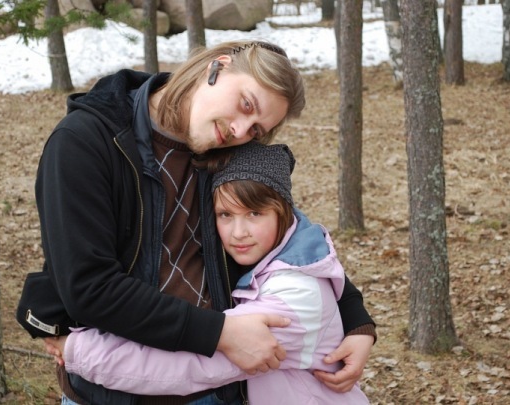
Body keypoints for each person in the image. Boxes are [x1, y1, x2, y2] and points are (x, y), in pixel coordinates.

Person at [36, 39, 375, 404]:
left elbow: (288, 236)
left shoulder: (227, 150)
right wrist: (221, 333)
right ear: (219, 65)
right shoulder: (88, 141)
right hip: (112, 387)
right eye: (246, 104)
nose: (241, 130)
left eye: (256, 129)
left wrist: (355, 318)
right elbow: (90, 287)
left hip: (214, 390)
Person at [47, 142, 371, 404]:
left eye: (254, 213)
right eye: (225, 214)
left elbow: (188, 367)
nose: (238, 232)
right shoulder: (279, 256)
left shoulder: (292, 299)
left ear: (283, 212)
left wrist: (78, 350)